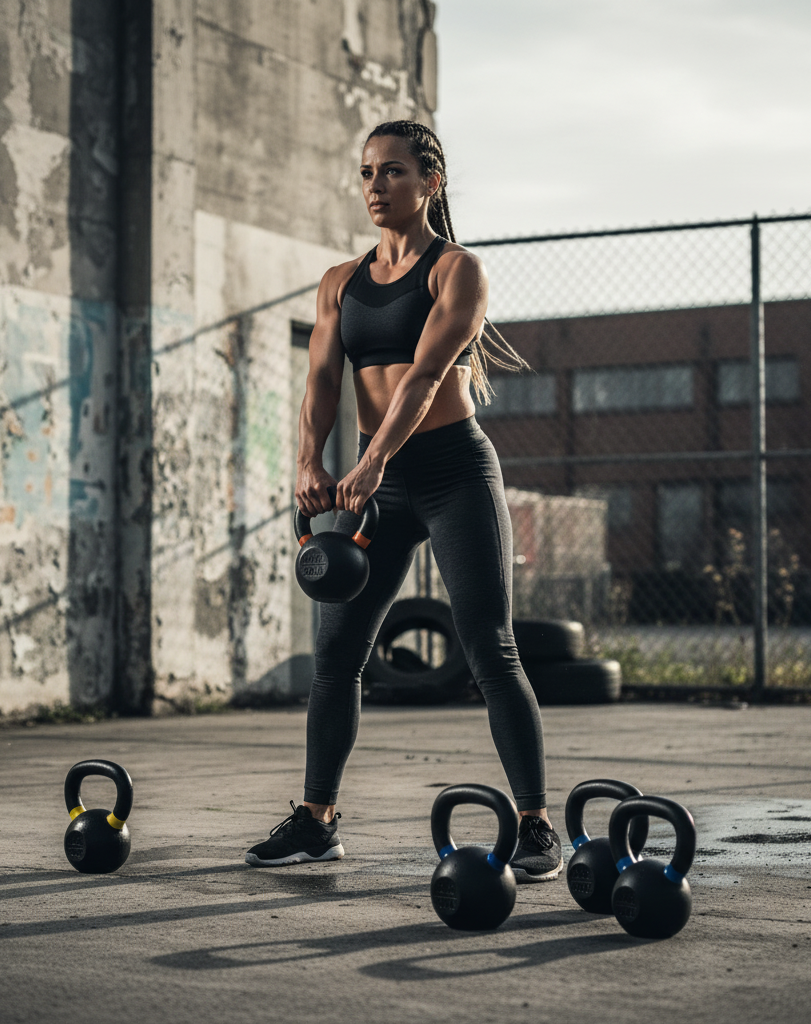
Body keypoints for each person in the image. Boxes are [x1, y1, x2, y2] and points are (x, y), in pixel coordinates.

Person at [244, 120, 562, 882]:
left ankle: (537, 825)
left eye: (391, 172)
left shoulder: (458, 272)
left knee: (490, 647)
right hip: (371, 483)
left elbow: (422, 377)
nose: (375, 187)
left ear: (431, 182)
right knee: (335, 658)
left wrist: (373, 458)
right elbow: (322, 379)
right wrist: (307, 459)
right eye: (365, 174)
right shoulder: (338, 282)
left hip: (451, 470)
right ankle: (317, 821)